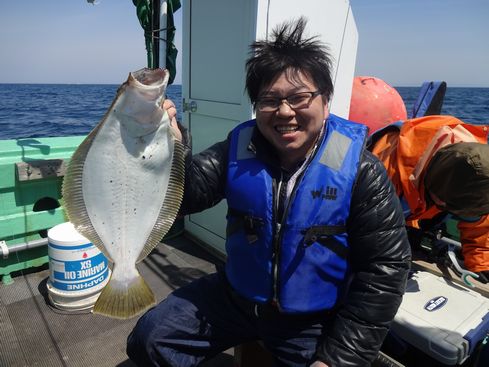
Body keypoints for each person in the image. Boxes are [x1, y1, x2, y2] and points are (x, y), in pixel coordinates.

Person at [126, 18, 411, 367]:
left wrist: (339, 359)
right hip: (237, 297)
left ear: (326, 100)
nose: (285, 112)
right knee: (149, 339)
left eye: (299, 97)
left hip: (311, 318)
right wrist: (171, 146)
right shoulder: (239, 147)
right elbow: (186, 196)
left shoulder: (361, 171)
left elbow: (386, 268)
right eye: (270, 100)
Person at [367, 115, 489, 281]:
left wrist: (481, 267)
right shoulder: (382, 168)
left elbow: (480, 224)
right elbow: (364, 228)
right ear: (440, 201)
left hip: (420, 201)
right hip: (384, 209)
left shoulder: (481, 171)